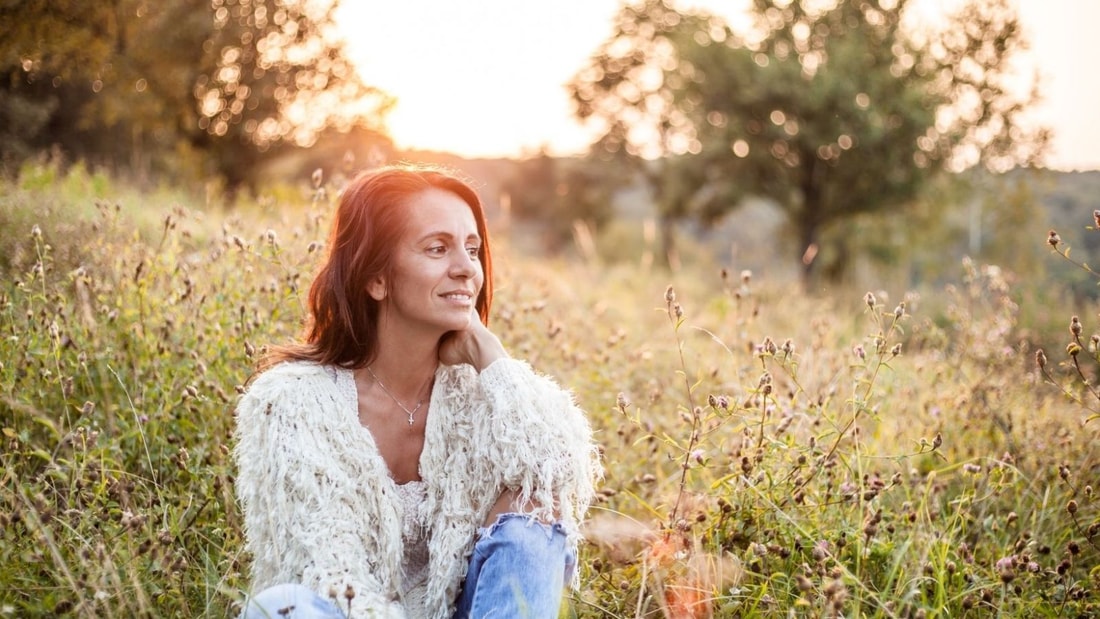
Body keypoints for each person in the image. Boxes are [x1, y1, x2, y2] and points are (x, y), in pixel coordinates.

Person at [232, 164, 601, 619]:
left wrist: (494, 359)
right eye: (437, 248)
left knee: (535, 505)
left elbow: (560, 474)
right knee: (280, 607)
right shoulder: (291, 403)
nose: (467, 268)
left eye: (472, 249)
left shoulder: (483, 393)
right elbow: (328, 577)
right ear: (376, 278)